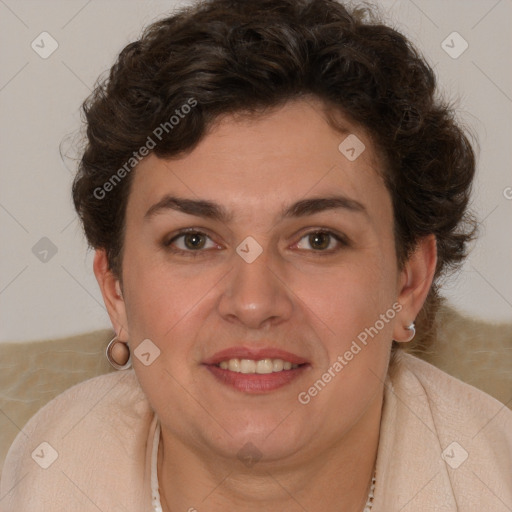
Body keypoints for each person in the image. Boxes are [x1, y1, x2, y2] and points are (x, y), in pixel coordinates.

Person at [1, 0, 511, 510]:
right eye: (193, 240)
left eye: (318, 239)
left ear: (409, 283)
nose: (253, 302)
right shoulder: (34, 480)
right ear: (115, 289)